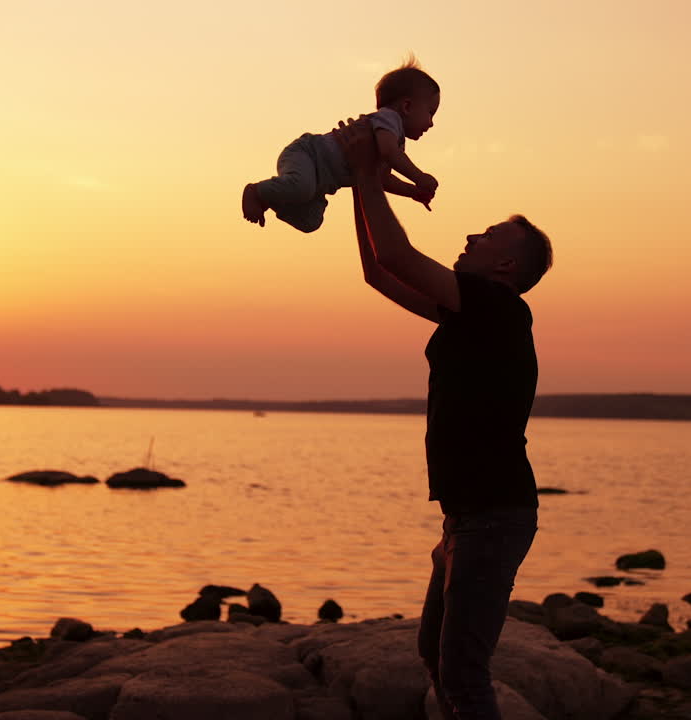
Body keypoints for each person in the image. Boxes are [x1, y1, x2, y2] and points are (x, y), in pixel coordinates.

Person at [332, 116, 553, 720]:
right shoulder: (470, 312)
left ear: (507, 268)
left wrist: (362, 172)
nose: (472, 237)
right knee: (436, 654)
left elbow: (400, 253)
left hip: (492, 519)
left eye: (487, 237)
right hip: (467, 519)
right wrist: (360, 186)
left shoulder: (495, 307)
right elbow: (380, 271)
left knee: (462, 668)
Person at [242, 57, 440, 233]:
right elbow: (390, 153)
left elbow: (382, 179)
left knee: (311, 222)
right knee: (302, 187)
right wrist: (419, 176)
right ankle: (256, 190)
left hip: (320, 183)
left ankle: (272, 198)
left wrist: (412, 191)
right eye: (430, 113)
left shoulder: (394, 140)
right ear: (407, 106)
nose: (431, 123)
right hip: (309, 155)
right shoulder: (389, 119)